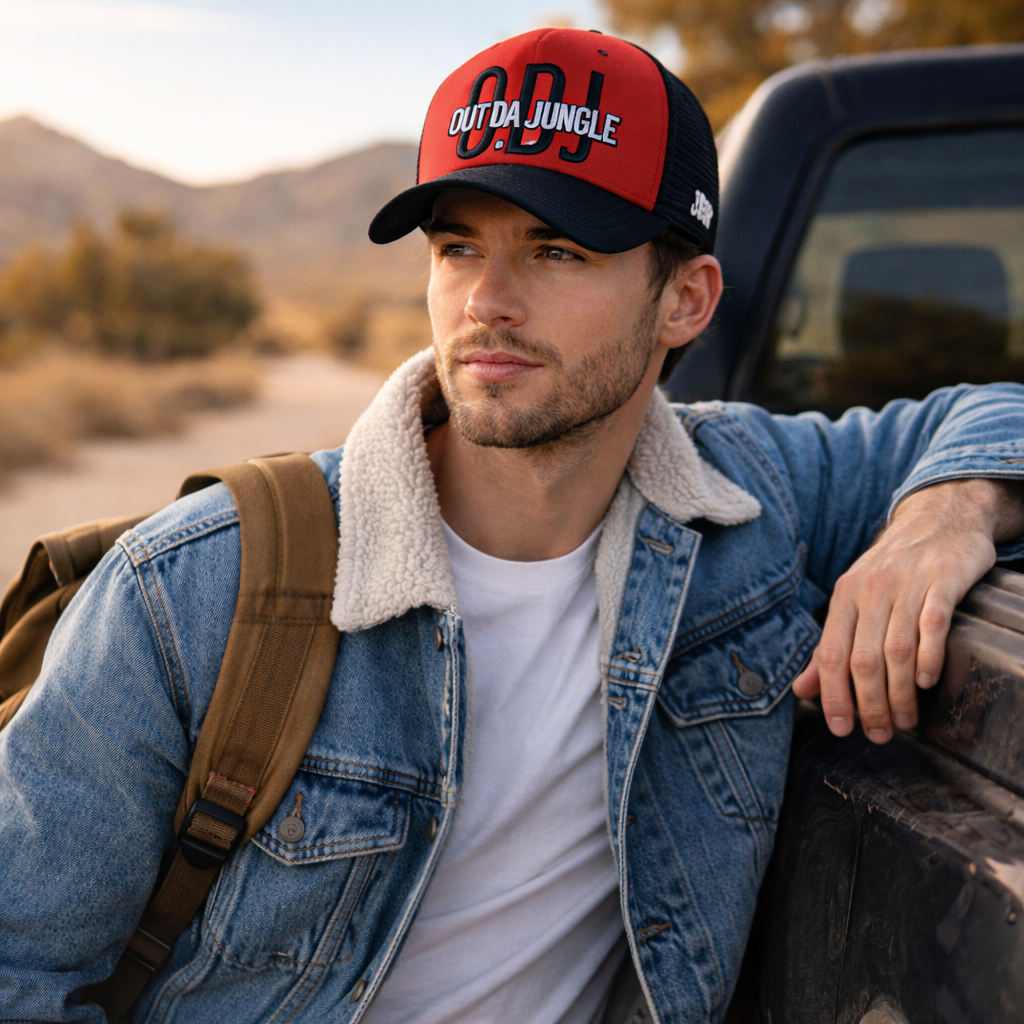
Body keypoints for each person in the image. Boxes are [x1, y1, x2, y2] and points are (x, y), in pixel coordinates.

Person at [2, 26, 1024, 1024]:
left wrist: (941, 521)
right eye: (458, 248)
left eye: (557, 251)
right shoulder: (189, 591)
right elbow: (18, 966)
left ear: (686, 299)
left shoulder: (748, 497)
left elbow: (991, 413)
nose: (486, 300)